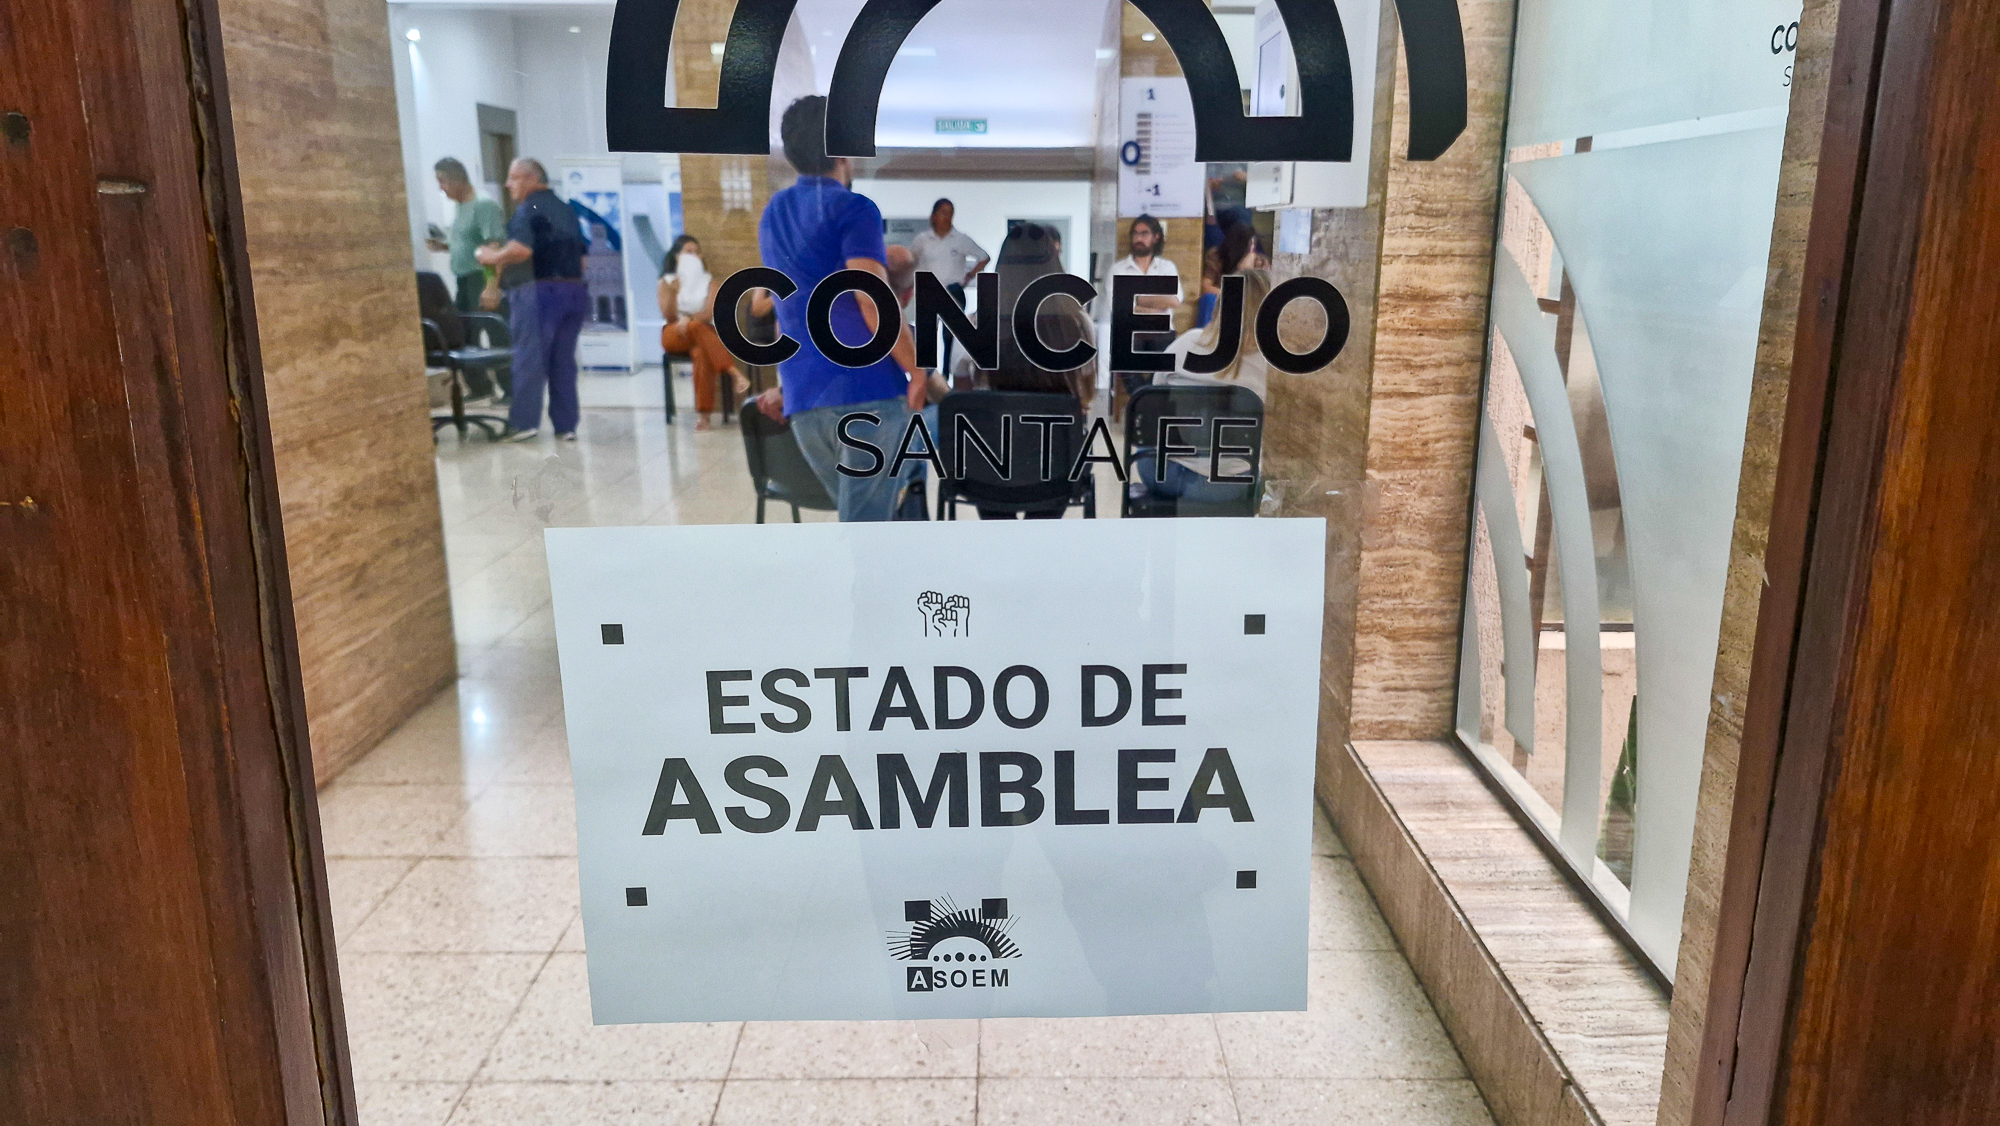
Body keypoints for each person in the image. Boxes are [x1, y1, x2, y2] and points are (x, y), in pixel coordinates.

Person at [751, 96, 924, 522]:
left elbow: (786, 307)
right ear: (845, 149)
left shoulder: (773, 213)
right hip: (866, 390)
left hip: (804, 397)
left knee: (862, 521)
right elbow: (870, 298)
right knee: (866, 531)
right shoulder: (854, 208)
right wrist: (917, 370)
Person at [1134, 268, 1272, 504]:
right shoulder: (1270, 367)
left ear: (1220, 304)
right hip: (1229, 484)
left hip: (1161, 473)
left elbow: (1154, 397)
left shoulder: (1184, 344)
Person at [477, 158, 590, 443]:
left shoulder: (529, 208)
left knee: (529, 358)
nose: (508, 184)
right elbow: (583, 259)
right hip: (574, 292)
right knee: (563, 362)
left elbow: (521, 249)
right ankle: (566, 426)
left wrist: (492, 256)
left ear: (531, 179)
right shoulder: (567, 210)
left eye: (513, 178)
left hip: (539, 293)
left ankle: (524, 423)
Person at [657, 235, 749, 430]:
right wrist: (674, 293)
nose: (694, 256)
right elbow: (669, 316)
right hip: (674, 333)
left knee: (701, 352)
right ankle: (733, 372)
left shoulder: (710, 283)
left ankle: (704, 416)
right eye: (688, 252)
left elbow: (708, 314)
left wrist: (689, 319)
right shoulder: (666, 282)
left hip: (700, 332)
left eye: (697, 252)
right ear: (677, 256)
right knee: (698, 329)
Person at [1110, 214, 1182, 414]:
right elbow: (1117, 306)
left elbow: (1174, 300)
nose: (1138, 238)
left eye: (1144, 233)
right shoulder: (1118, 269)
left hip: (1162, 330)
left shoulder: (1167, 267)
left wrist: (1138, 299)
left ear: (1156, 237)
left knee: (1164, 369)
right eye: (1135, 233)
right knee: (1122, 354)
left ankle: (1143, 404)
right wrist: (1156, 304)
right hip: (1130, 330)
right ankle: (1145, 404)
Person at [908, 198, 988, 376]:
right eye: (943, 212)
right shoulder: (923, 240)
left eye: (950, 213)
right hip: (929, 292)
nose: (947, 217)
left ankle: (947, 376)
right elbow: (911, 259)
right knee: (927, 337)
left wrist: (969, 276)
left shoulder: (960, 239)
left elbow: (983, 257)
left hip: (953, 291)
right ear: (934, 215)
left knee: (950, 337)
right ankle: (928, 378)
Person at [426, 157, 507, 314]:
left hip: (480, 279)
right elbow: (470, 242)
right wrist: (443, 246)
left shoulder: (483, 204)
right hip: (463, 281)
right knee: (464, 325)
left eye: (442, 181)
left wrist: (491, 287)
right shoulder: (460, 206)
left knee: (486, 325)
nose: (440, 188)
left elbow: (494, 246)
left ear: (457, 180)